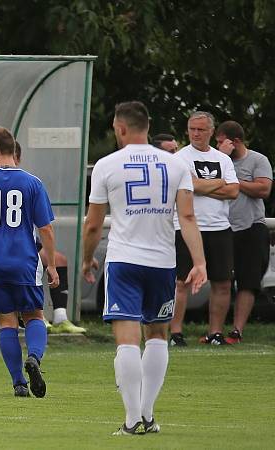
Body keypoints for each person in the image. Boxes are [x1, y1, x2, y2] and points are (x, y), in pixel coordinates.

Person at [82, 101, 207, 435]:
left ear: (120, 128)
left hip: (124, 261)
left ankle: (132, 418)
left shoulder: (107, 165)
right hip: (162, 263)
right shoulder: (175, 164)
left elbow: (93, 224)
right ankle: (148, 415)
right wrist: (199, 262)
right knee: (157, 335)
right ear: (147, 126)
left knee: (126, 340)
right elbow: (188, 217)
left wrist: (86, 258)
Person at [0, 126, 59, 398]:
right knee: (34, 316)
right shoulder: (32, 183)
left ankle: (18, 383)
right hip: (24, 262)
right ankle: (35, 359)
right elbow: (46, 229)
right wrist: (50, 263)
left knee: (6, 322)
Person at [169, 111, 239, 346]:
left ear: (211, 131)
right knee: (182, 282)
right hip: (188, 227)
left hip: (220, 227)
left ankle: (215, 332)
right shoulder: (180, 158)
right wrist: (217, 183)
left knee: (222, 282)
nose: (196, 134)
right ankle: (175, 332)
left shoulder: (223, 159)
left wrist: (201, 185)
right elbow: (191, 186)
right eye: (192, 129)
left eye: (201, 129)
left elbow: (233, 191)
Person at [13, 142, 86, 334]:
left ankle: (60, 317)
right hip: (8, 246)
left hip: (28, 242)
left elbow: (44, 225)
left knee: (58, 259)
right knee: (29, 264)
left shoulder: (29, 182)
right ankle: (35, 315)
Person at [215, 120, 272, 343]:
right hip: (222, 227)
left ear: (235, 141)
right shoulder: (216, 161)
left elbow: (263, 189)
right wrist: (222, 161)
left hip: (251, 227)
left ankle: (237, 331)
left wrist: (234, 182)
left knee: (248, 282)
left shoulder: (258, 160)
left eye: (221, 142)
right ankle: (215, 331)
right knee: (220, 280)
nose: (218, 146)